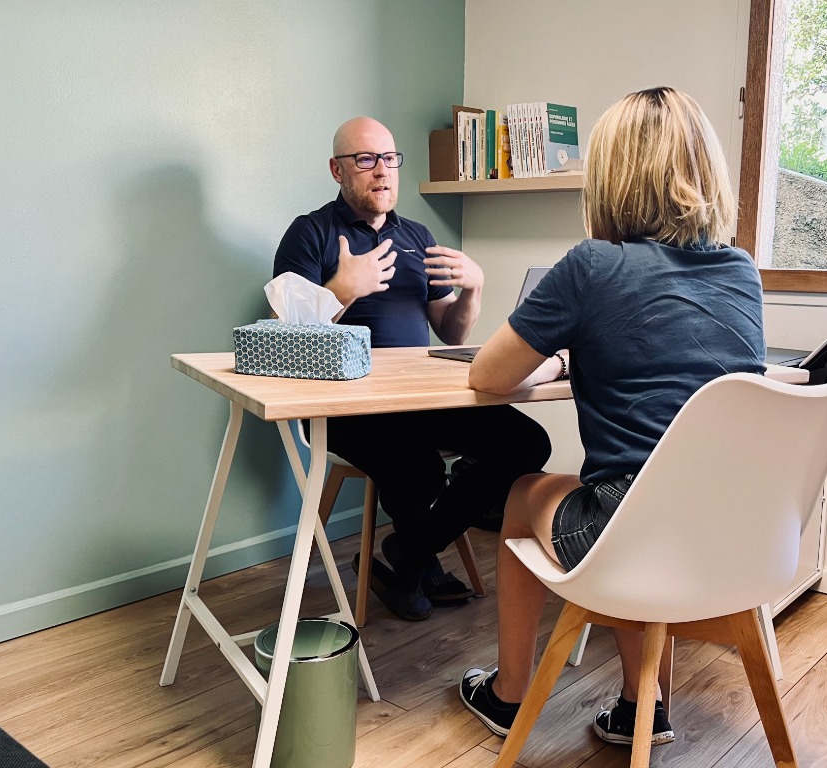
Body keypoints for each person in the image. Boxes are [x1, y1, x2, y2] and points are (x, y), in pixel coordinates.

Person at [458, 87, 766, 747]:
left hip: (633, 539)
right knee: (638, 492)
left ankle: (509, 695)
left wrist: (564, 356)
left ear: (612, 180)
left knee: (527, 493)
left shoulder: (592, 265)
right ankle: (641, 706)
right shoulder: (741, 271)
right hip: (737, 538)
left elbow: (485, 374)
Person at [273, 116, 552, 622]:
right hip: (347, 407)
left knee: (528, 443)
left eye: (390, 159)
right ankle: (417, 564)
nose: (382, 171)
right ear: (337, 170)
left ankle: (410, 555)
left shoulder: (418, 237)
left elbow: (453, 333)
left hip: (423, 398)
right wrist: (341, 290)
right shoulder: (310, 233)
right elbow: (285, 334)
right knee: (419, 467)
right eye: (366, 159)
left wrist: (474, 289)